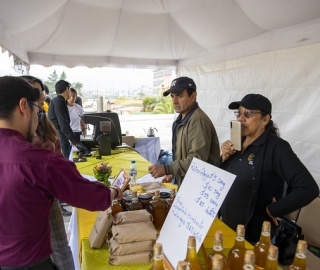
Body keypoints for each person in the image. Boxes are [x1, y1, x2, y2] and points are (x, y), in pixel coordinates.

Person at [0, 76, 123, 268]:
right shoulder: (40, 161)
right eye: (38, 111)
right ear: (24, 106)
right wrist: (114, 191)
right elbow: (91, 197)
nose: (38, 118)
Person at [217, 93, 319, 243]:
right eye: (239, 113)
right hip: (226, 227)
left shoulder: (277, 148)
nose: (240, 118)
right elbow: (221, 178)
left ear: (265, 119)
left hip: (253, 237)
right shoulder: (237, 142)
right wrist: (222, 159)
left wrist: (274, 209)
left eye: (248, 113)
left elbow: (308, 188)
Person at [21, 75, 75, 269]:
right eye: (33, 92)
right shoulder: (15, 129)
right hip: (24, 200)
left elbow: (58, 154)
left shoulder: (45, 123)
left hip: (48, 197)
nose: (39, 96)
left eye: (40, 91)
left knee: (60, 245)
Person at [148, 77, 220, 187]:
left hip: (200, 187)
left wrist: (167, 169)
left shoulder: (198, 121)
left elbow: (197, 160)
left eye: (179, 96)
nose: (174, 101)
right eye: (172, 96)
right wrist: (174, 173)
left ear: (193, 96)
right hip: (188, 183)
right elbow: (183, 154)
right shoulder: (182, 119)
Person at [48, 79, 89, 159]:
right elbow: (63, 124)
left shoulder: (58, 101)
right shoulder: (59, 101)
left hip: (62, 134)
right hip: (59, 134)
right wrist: (76, 142)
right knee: (67, 159)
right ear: (67, 89)